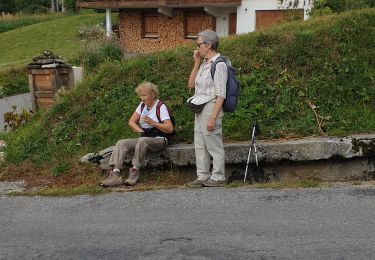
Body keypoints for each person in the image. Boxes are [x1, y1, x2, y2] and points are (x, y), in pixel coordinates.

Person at [100, 82, 174, 187]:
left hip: (160, 139)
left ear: (153, 95)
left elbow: (170, 128)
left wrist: (154, 123)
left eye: (145, 95)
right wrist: (141, 131)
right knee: (122, 143)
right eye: (141, 95)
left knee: (142, 141)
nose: (142, 98)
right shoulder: (142, 106)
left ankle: (135, 170)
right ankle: (115, 174)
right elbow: (131, 121)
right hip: (145, 138)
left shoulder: (161, 107)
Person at [186, 30, 227, 187]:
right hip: (199, 105)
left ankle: (218, 177)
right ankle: (202, 175)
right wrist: (196, 62)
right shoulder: (204, 64)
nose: (197, 48)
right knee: (200, 143)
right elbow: (191, 85)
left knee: (213, 143)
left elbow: (221, 94)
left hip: (211, 106)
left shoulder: (219, 64)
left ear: (209, 45)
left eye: (199, 44)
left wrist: (213, 117)